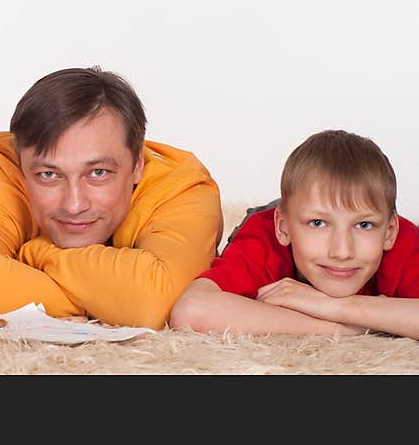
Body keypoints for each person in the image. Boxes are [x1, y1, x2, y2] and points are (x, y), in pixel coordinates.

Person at [0, 66, 223, 329]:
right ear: (20, 166)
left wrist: (37, 254)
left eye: (98, 173)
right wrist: (111, 300)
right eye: (48, 175)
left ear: (137, 166)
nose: (74, 205)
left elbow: (156, 303)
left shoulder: (186, 187)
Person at [169, 129, 419, 338]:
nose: (342, 251)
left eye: (363, 225)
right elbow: (192, 311)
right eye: (318, 224)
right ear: (283, 227)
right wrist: (340, 329)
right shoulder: (264, 237)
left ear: (389, 232)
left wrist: (336, 307)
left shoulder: (401, 240)